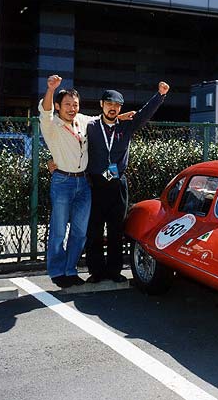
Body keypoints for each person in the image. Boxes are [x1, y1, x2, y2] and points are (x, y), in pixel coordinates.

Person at [84, 82, 169, 283]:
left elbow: (144, 114)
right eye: (109, 103)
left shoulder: (126, 127)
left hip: (117, 185)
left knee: (116, 229)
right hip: (95, 184)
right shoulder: (91, 126)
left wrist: (160, 95)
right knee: (94, 229)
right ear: (102, 104)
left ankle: (114, 271)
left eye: (117, 105)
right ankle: (96, 272)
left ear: (120, 108)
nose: (113, 108)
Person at [39, 75, 92, 288]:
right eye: (68, 104)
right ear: (59, 106)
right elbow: (45, 110)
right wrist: (51, 89)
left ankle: (71, 270)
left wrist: (123, 116)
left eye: (75, 104)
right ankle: (57, 271)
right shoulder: (52, 125)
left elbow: (103, 119)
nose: (72, 108)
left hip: (84, 184)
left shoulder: (83, 121)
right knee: (59, 230)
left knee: (80, 232)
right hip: (63, 181)